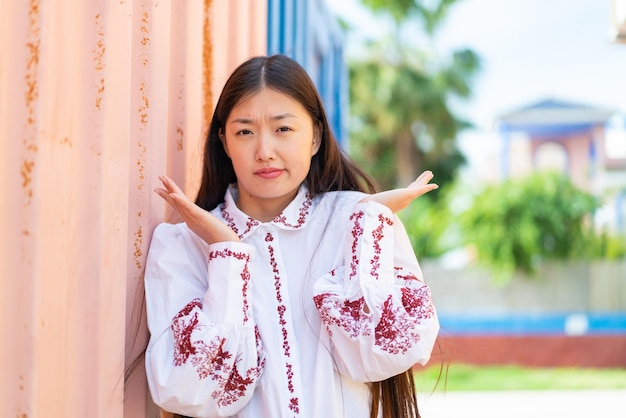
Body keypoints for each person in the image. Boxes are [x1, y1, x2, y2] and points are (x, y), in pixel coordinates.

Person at [144, 54, 440, 418]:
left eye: (283, 129)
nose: (264, 151)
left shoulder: (361, 221)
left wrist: (366, 225)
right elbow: (189, 391)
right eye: (245, 131)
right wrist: (228, 255)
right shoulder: (181, 245)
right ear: (224, 141)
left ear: (315, 136)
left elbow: (382, 354)